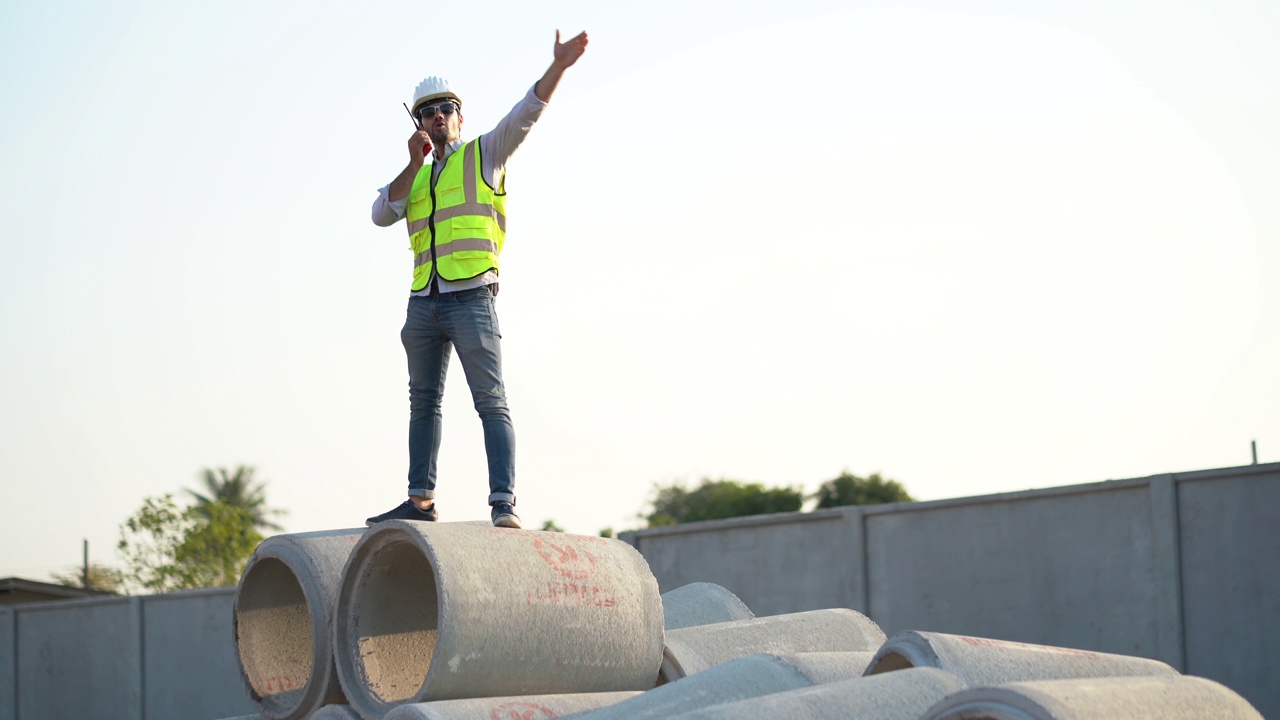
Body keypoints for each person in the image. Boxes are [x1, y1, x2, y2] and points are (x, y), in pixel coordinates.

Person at [366, 30, 590, 529]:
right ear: (418, 122)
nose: (437, 115)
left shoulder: (483, 155)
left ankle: (503, 502)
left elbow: (527, 112)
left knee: (491, 401)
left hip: (472, 298)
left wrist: (558, 67)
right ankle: (420, 501)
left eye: (446, 107)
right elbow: (381, 212)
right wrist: (412, 161)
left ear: (459, 117)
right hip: (423, 302)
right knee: (422, 402)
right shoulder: (416, 175)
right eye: (428, 110)